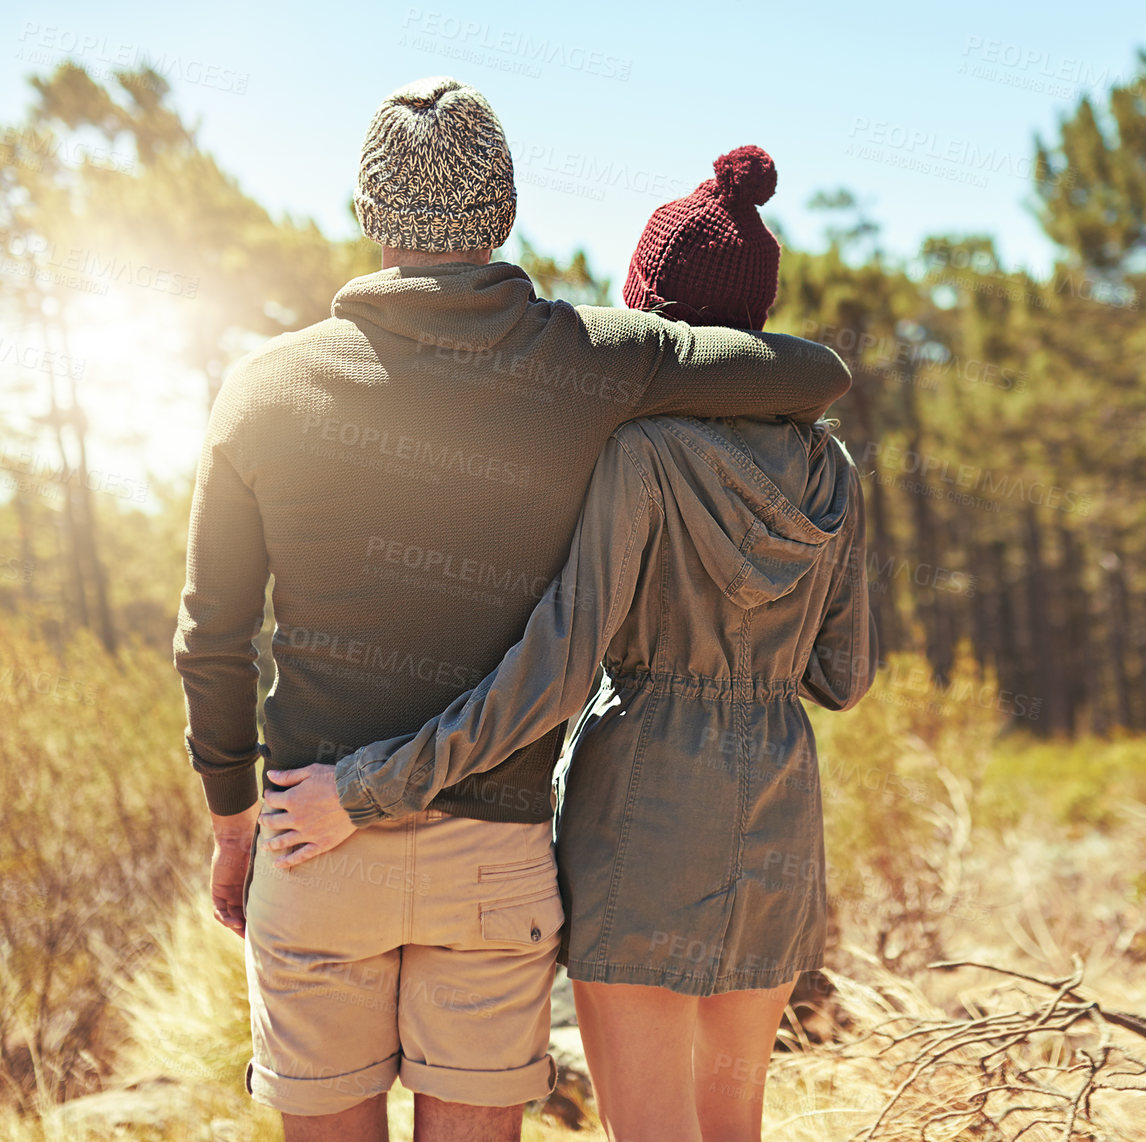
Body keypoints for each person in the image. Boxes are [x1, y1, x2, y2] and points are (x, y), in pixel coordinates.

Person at [172, 78, 850, 1142]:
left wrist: (230, 817)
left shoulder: (262, 384)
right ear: (506, 211)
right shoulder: (592, 356)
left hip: (311, 838)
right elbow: (812, 375)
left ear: (367, 212)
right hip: (494, 856)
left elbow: (209, 636)